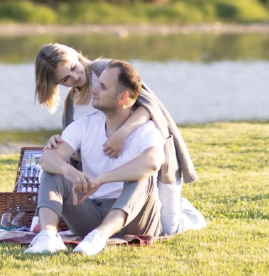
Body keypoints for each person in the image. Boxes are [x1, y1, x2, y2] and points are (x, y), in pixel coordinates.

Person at [33, 43, 201, 234]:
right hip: (104, 183)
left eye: (73, 68)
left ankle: (187, 212)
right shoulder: (73, 104)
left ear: (75, 55)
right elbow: (77, 146)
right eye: (65, 79)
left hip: (143, 160)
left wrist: (122, 134)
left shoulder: (107, 70)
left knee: (169, 227)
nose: (75, 77)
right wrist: (60, 144)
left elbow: (149, 106)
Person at [25, 60, 165, 256]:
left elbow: (152, 162)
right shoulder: (84, 126)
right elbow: (47, 158)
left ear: (123, 96)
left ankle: (99, 237)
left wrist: (100, 180)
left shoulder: (146, 131)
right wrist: (68, 170)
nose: (94, 90)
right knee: (53, 170)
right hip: (90, 215)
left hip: (136, 221)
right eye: (98, 83)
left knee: (144, 176)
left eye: (103, 87)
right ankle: (47, 237)